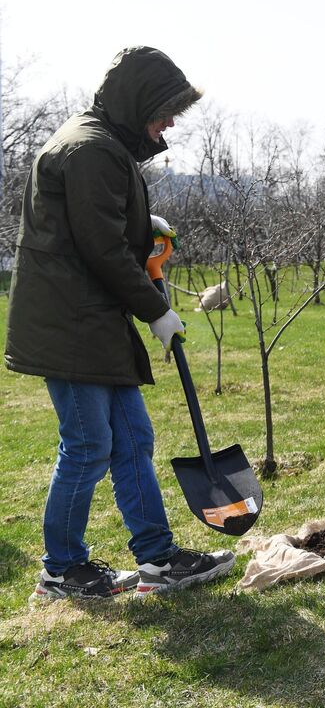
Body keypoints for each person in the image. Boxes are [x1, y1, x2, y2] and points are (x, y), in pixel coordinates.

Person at [5, 47, 235, 599]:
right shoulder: (92, 150)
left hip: (90, 318)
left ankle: (157, 560)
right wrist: (156, 311)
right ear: (137, 103)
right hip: (70, 324)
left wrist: (141, 226)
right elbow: (102, 248)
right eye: (166, 111)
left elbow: (96, 225)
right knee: (87, 446)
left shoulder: (100, 144)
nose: (171, 123)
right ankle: (61, 570)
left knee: (133, 439)